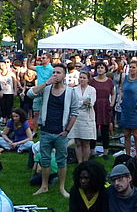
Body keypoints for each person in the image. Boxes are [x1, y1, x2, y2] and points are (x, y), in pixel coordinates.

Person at [27, 63, 79, 198]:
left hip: (61, 132)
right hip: (45, 130)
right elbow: (30, 94)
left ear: (64, 76)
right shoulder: (46, 88)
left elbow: (74, 113)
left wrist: (67, 131)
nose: (55, 75)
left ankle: (62, 187)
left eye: (58, 73)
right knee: (45, 159)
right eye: (54, 72)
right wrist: (45, 83)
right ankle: (44, 186)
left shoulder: (70, 92)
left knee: (62, 160)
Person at [119, 61, 137, 158]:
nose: (131, 69)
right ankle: (127, 155)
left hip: (136, 109)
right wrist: (120, 99)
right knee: (126, 134)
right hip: (126, 108)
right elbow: (121, 89)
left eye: (133, 67)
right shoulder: (125, 78)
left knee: (136, 135)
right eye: (130, 67)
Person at [69, 71, 96, 163]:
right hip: (76, 117)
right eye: (80, 77)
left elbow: (91, 103)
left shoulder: (92, 90)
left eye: (84, 78)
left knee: (86, 142)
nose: (82, 79)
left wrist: (85, 103)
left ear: (88, 79)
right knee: (78, 142)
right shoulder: (74, 90)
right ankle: (80, 162)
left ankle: (86, 161)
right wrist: (82, 102)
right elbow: (73, 104)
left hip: (87, 117)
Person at [90, 62, 115, 158]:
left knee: (105, 129)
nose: (100, 69)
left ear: (105, 69)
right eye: (98, 67)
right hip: (94, 105)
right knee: (93, 129)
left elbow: (113, 93)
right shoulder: (92, 81)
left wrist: (112, 103)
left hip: (105, 106)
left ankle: (105, 152)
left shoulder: (109, 81)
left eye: (102, 67)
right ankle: (92, 151)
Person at [0, 59, 20, 124]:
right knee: (2, 106)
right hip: (2, 92)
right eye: (0, 65)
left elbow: (15, 81)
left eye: (3, 65)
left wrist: (15, 91)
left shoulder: (11, 73)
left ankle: (9, 118)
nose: (2, 66)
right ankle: (4, 118)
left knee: (9, 106)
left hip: (9, 91)